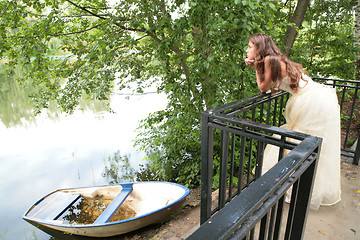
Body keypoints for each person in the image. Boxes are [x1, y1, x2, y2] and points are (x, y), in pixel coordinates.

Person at [245, 33, 341, 209]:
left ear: (259, 48)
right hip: (318, 97)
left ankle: (290, 187)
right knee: (308, 143)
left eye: (250, 46)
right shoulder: (276, 58)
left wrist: (255, 68)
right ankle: (296, 187)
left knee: (296, 140)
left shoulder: (268, 60)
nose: (247, 50)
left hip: (311, 101)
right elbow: (274, 85)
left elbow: (263, 88)